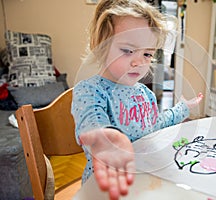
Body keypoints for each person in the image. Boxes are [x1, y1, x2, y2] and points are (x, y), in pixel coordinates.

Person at [71, 0, 203, 199]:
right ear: (101, 45)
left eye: (147, 54)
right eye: (128, 50)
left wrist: (183, 108)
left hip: (144, 180)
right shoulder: (91, 90)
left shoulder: (145, 94)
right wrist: (106, 139)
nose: (139, 62)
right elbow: (90, 122)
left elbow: (155, 124)